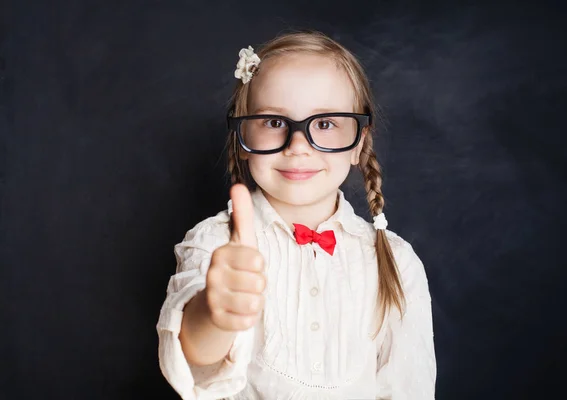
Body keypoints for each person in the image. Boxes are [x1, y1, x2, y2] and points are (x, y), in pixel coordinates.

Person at [156, 30, 436, 400]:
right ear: (243, 139)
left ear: (359, 144)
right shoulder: (215, 241)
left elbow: (409, 388)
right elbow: (195, 360)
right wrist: (214, 312)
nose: (298, 146)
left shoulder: (398, 262)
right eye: (274, 123)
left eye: (325, 123)